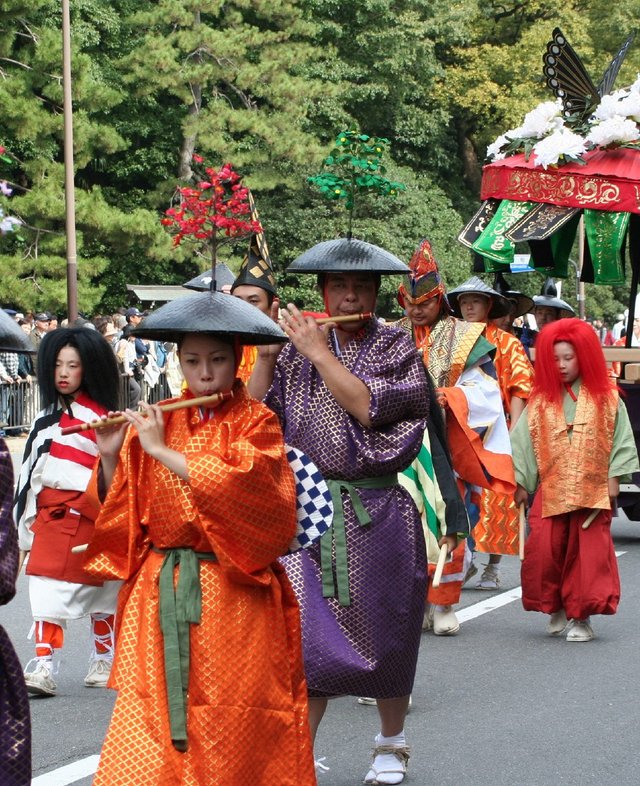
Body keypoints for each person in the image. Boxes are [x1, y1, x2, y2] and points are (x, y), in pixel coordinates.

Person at [83, 291, 316, 785]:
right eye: (192, 361)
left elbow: (253, 491)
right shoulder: (157, 418)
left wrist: (161, 451)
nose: (204, 373)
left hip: (233, 592)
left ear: (237, 360)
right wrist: (110, 455)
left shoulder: (257, 421)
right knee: (152, 712)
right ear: (178, 362)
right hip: (161, 585)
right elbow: (123, 510)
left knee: (235, 713)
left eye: (216, 360)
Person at [250, 236, 430, 785]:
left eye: (361, 287)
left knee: (387, 629)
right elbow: (256, 417)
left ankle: (391, 743)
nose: (350, 297)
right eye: (339, 287)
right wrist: (265, 355)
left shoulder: (398, 347)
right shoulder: (294, 351)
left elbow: (370, 409)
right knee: (305, 639)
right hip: (308, 512)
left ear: (375, 291)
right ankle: (298, 753)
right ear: (323, 293)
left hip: (376, 507)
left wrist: (318, 355)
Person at [396, 242, 513, 634]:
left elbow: (485, 391)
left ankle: (443, 603)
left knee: (447, 518)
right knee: (401, 525)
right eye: (409, 301)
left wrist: (451, 397)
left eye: (425, 301)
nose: (416, 309)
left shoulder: (464, 337)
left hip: (444, 442)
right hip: (397, 446)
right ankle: (411, 602)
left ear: (440, 298)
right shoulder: (388, 334)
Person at [512, 318, 639, 641]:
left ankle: (581, 617)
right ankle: (554, 606)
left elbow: (622, 439)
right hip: (551, 489)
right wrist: (521, 483)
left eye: (569, 357)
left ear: (584, 356)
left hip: (592, 491)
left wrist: (615, 478)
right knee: (544, 553)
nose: (562, 365)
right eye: (555, 359)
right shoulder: (540, 400)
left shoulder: (607, 398)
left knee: (588, 559)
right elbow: (523, 443)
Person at [14, 328, 122, 697]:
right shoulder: (44, 420)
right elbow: (28, 478)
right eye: (58, 364)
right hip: (52, 516)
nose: (64, 373)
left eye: (73, 365)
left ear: (88, 369)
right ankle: (44, 665)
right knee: (44, 590)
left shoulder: (105, 418)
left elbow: (122, 477)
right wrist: (22, 533)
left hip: (96, 513)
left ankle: (103, 659)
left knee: (104, 593)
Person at [448, 276, 534, 589]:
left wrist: (514, 435)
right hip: (459, 428)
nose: (469, 306)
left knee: (499, 501)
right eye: (464, 301)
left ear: (488, 306)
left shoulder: (507, 343)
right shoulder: (451, 339)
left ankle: (492, 566)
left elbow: (520, 390)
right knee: (460, 498)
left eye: (476, 301)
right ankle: (463, 558)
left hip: (496, 429)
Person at [231, 232, 279, 383]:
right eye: (237, 301)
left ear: (273, 306)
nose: (243, 309)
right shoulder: (220, 346)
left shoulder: (289, 351)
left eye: (253, 301)